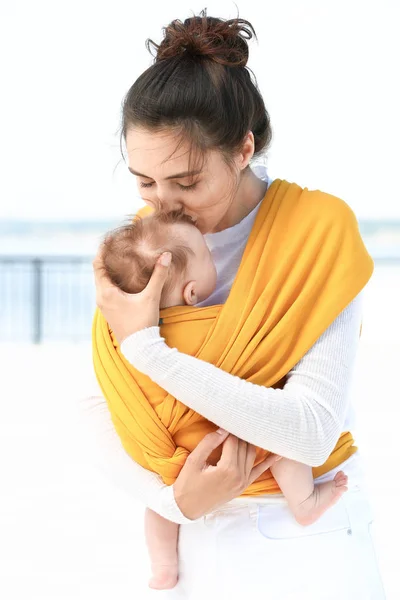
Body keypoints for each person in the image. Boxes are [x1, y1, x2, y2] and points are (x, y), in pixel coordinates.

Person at [84, 10, 386, 599]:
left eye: (187, 182)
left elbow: (308, 432)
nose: (163, 203)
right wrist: (170, 499)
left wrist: (149, 349)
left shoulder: (315, 230)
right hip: (191, 539)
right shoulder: (145, 242)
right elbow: (102, 400)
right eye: (145, 181)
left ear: (244, 148)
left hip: (311, 540)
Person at [100, 209, 350, 590]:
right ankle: (306, 503)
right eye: (207, 254)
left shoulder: (123, 336)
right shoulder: (221, 326)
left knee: (159, 506)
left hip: (172, 464)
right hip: (229, 447)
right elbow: (269, 386)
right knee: (281, 438)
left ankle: (163, 566)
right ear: (192, 292)